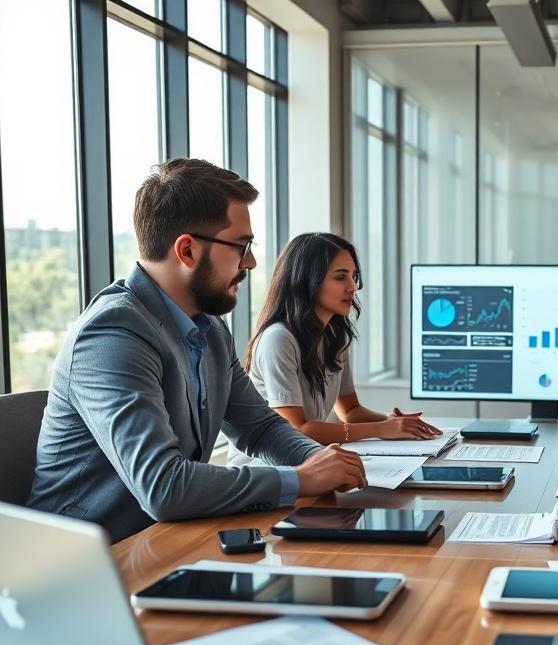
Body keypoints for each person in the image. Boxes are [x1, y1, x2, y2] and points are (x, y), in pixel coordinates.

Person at [29, 159, 367, 543]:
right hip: (93, 564)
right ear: (187, 250)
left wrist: (321, 462)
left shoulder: (209, 329)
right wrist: (299, 478)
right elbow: (164, 486)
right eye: (242, 246)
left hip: (165, 541)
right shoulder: (112, 334)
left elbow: (260, 427)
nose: (252, 262)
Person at [228, 232, 441, 467]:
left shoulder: (333, 337)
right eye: (340, 277)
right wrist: (381, 428)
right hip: (264, 470)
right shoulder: (279, 339)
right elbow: (296, 429)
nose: (352, 287)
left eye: (354, 276)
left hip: (307, 461)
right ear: (307, 281)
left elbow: (350, 410)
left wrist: (395, 424)